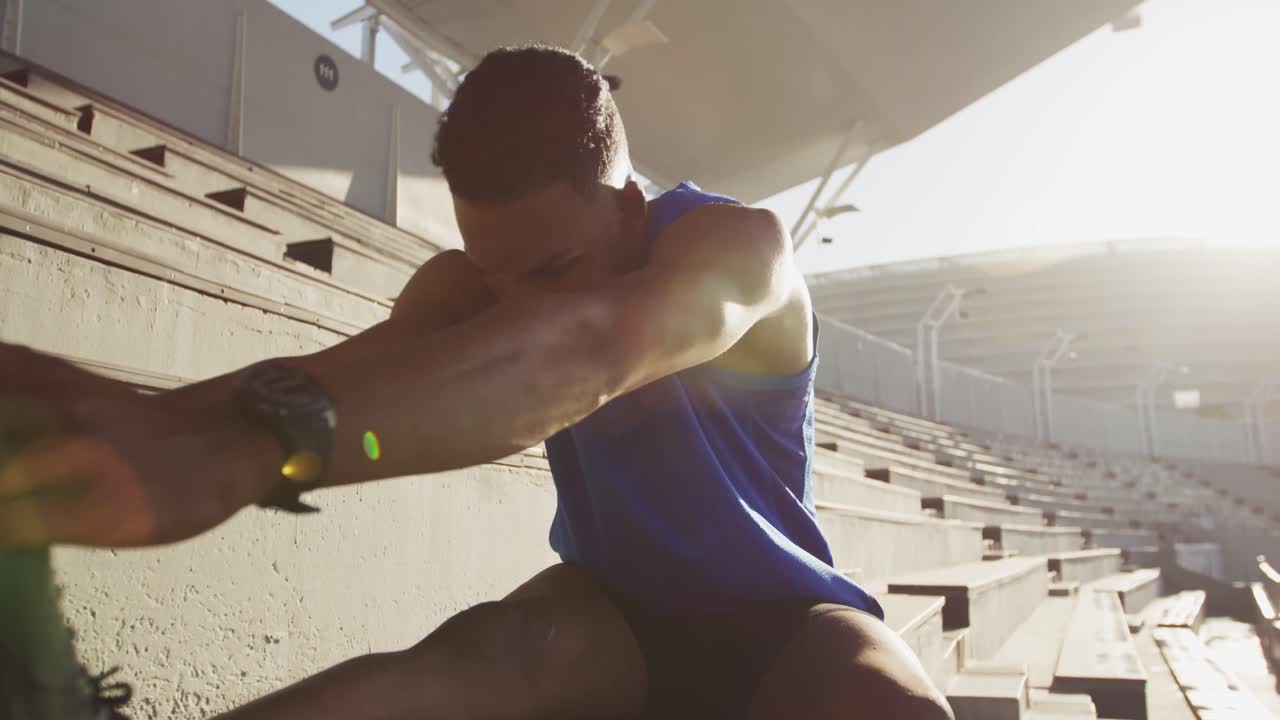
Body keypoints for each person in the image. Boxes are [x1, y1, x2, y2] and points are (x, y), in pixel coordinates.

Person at [0, 45, 953, 719]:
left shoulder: (738, 249)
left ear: (626, 204)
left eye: (545, 268)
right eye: (489, 271)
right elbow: (357, 378)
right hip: (609, 610)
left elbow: (584, 357)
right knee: (442, 672)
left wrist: (240, 459)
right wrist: (134, 420)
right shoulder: (474, 284)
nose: (506, 299)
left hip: (785, 614)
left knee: (895, 710)